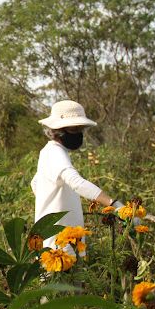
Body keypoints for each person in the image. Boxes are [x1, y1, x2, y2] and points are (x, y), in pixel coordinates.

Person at [31, 100, 126, 255]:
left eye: (80, 129)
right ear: (59, 131)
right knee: (62, 279)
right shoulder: (55, 153)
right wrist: (114, 205)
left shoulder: (49, 152)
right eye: (75, 129)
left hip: (64, 240)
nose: (79, 134)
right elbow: (76, 182)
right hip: (58, 246)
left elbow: (35, 183)